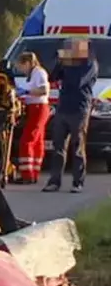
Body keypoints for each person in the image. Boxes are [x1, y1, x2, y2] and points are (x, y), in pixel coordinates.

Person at [43, 38, 98, 193]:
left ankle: (77, 182)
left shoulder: (89, 64)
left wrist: (68, 65)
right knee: (58, 147)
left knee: (77, 147)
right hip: (62, 108)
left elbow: (77, 82)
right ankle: (54, 182)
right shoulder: (67, 63)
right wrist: (59, 61)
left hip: (79, 109)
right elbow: (52, 77)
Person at [13, 52, 50, 184]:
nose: (21, 70)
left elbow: (44, 90)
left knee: (27, 141)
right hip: (35, 107)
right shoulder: (33, 74)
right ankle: (33, 173)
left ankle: (27, 175)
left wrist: (26, 92)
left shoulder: (39, 73)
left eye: (21, 66)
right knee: (37, 141)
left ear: (28, 63)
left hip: (38, 108)